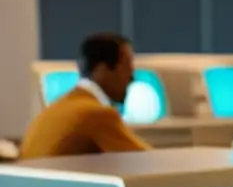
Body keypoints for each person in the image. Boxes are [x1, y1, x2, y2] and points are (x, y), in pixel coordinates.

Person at [20, 33, 150, 160]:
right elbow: (150, 162)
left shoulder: (56, 109)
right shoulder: (96, 114)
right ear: (102, 70)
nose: (132, 79)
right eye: (127, 69)